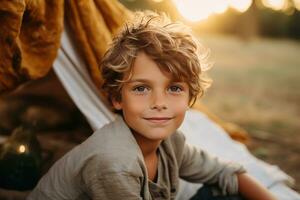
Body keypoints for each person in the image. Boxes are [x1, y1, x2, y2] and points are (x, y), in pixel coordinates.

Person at [27, 11, 277, 200]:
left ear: (190, 98)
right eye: (141, 88)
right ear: (117, 98)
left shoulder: (172, 143)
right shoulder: (114, 163)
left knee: (225, 194)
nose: (159, 103)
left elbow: (226, 173)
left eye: (174, 88)